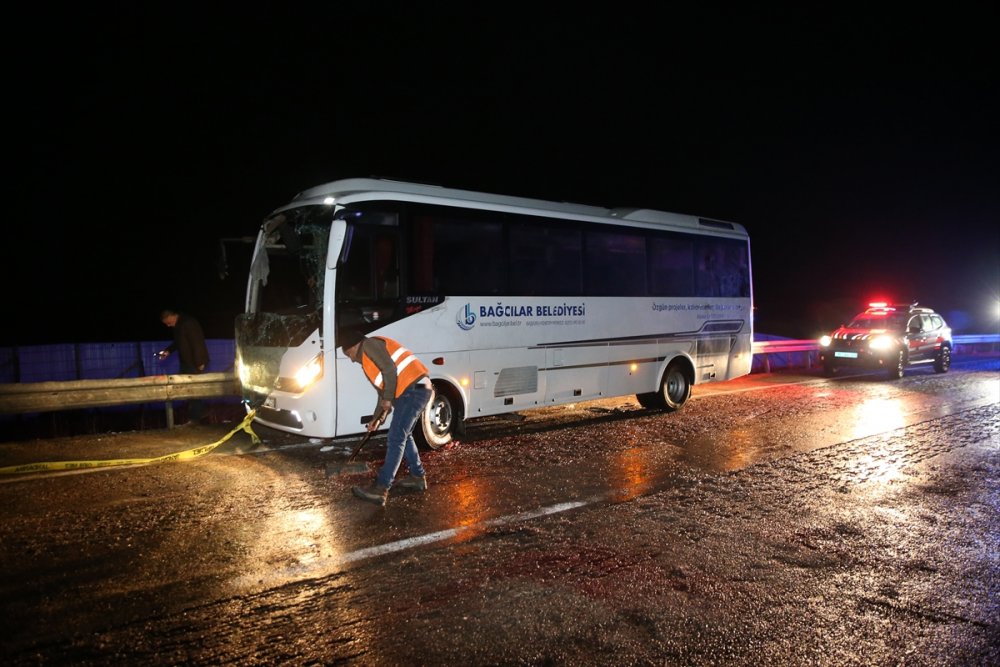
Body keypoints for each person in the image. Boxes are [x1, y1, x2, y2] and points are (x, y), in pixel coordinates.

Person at [339, 328, 433, 506]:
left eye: (348, 354)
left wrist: (388, 400)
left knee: (396, 437)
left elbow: (389, 369)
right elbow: (383, 393)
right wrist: (377, 419)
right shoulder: (368, 362)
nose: (351, 359)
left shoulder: (369, 345)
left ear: (354, 346)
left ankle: (380, 488)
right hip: (415, 390)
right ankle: (417, 476)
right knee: (405, 435)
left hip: (413, 389)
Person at [158, 308, 210, 424]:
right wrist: (167, 351)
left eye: (168, 322)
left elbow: (197, 343)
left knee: (194, 390)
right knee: (186, 389)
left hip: (194, 362)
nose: (168, 325)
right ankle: (197, 413)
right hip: (185, 362)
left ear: (172, 316)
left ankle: (195, 418)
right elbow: (177, 342)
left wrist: (199, 362)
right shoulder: (178, 326)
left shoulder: (188, 323)